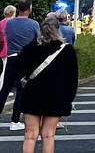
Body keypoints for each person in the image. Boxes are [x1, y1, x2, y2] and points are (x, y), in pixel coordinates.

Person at [19, 15, 77, 153]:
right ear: (58, 30)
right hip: (55, 98)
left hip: (32, 96)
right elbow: (72, 80)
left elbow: (20, 73)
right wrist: (67, 102)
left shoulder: (28, 49)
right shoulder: (67, 51)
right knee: (48, 135)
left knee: (30, 135)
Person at [0, 0, 40, 131]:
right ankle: (15, 120)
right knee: (21, 91)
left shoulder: (9, 24)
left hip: (11, 57)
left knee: (5, 88)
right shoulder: (34, 24)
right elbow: (38, 41)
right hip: (26, 59)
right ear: (29, 9)